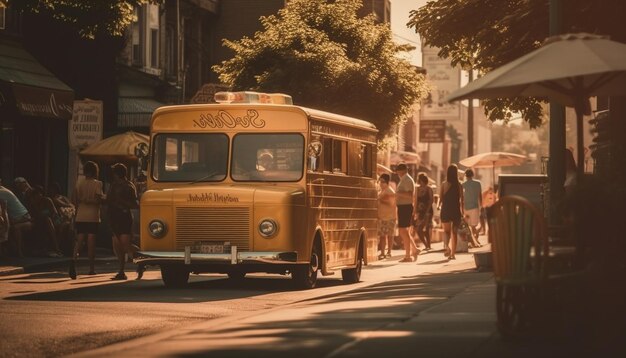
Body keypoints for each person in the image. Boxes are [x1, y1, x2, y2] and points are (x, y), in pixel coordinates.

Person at [105, 163, 143, 280]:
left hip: (124, 217)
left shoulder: (129, 186)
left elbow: (135, 204)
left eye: (114, 173)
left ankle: (142, 259)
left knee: (125, 245)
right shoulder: (113, 185)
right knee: (117, 246)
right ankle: (121, 271)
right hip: (113, 217)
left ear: (117, 174)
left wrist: (121, 202)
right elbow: (109, 200)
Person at [69, 161, 103, 279]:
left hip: (80, 215)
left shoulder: (79, 183)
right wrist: (91, 200)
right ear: (95, 171)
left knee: (79, 240)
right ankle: (91, 269)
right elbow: (98, 200)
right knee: (91, 243)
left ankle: (73, 260)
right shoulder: (98, 184)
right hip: (93, 216)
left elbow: (74, 200)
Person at [0, 179, 33, 257]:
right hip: (16, 217)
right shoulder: (3, 189)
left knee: (12, 227)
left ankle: (19, 251)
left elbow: (4, 210)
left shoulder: (2, 192)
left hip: (23, 217)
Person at [395, 163, 419, 262]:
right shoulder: (404, 179)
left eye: (398, 171)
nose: (397, 173)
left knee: (402, 231)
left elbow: (410, 195)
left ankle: (408, 255)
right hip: (403, 207)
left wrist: (397, 193)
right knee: (405, 231)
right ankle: (414, 249)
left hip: (405, 207)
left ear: (402, 170)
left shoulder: (407, 180)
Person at [30, 185, 63, 257]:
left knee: (50, 222)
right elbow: (34, 215)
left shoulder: (47, 200)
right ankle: (54, 248)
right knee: (47, 221)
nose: (38, 197)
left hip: (51, 219)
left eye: (39, 194)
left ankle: (56, 248)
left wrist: (58, 223)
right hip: (40, 221)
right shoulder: (33, 203)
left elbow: (54, 213)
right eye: (36, 196)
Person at [439, 164, 464, 260]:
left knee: (446, 232)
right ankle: (453, 254)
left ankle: (448, 248)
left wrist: (438, 206)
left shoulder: (444, 184)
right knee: (454, 232)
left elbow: (440, 198)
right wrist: (462, 211)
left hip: (446, 209)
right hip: (455, 210)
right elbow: (462, 200)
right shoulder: (459, 185)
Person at [462, 169, 483, 248]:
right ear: (473, 175)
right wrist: (482, 206)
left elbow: (461, 197)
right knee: (473, 226)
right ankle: (475, 241)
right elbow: (480, 195)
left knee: (468, 226)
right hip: (475, 207)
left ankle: (473, 242)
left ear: (465, 175)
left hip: (466, 208)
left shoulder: (463, 184)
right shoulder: (478, 183)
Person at [377, 173, 396, 259]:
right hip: (382, 217)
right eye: (380, 181)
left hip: (389, 217)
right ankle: (382, 252)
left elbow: (391, 203)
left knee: (389, 235)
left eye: (382, 182)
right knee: (382, 236)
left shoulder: (390, 191)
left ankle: (388, 252)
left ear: (387, 182)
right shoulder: (382, 191)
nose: (381, 183)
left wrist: (380, 200)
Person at [414, 173, 434, 251]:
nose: (420, 181)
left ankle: (428, 245)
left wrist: (427, 211)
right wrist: (415, 211)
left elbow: (431, 200)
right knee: (419, 229)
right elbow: (415, 201)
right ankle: (426, 244)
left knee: (427, 228)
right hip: (420, 211)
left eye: (421, 179)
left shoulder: (429, 188)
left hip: (428, 211)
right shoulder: (417, 189)